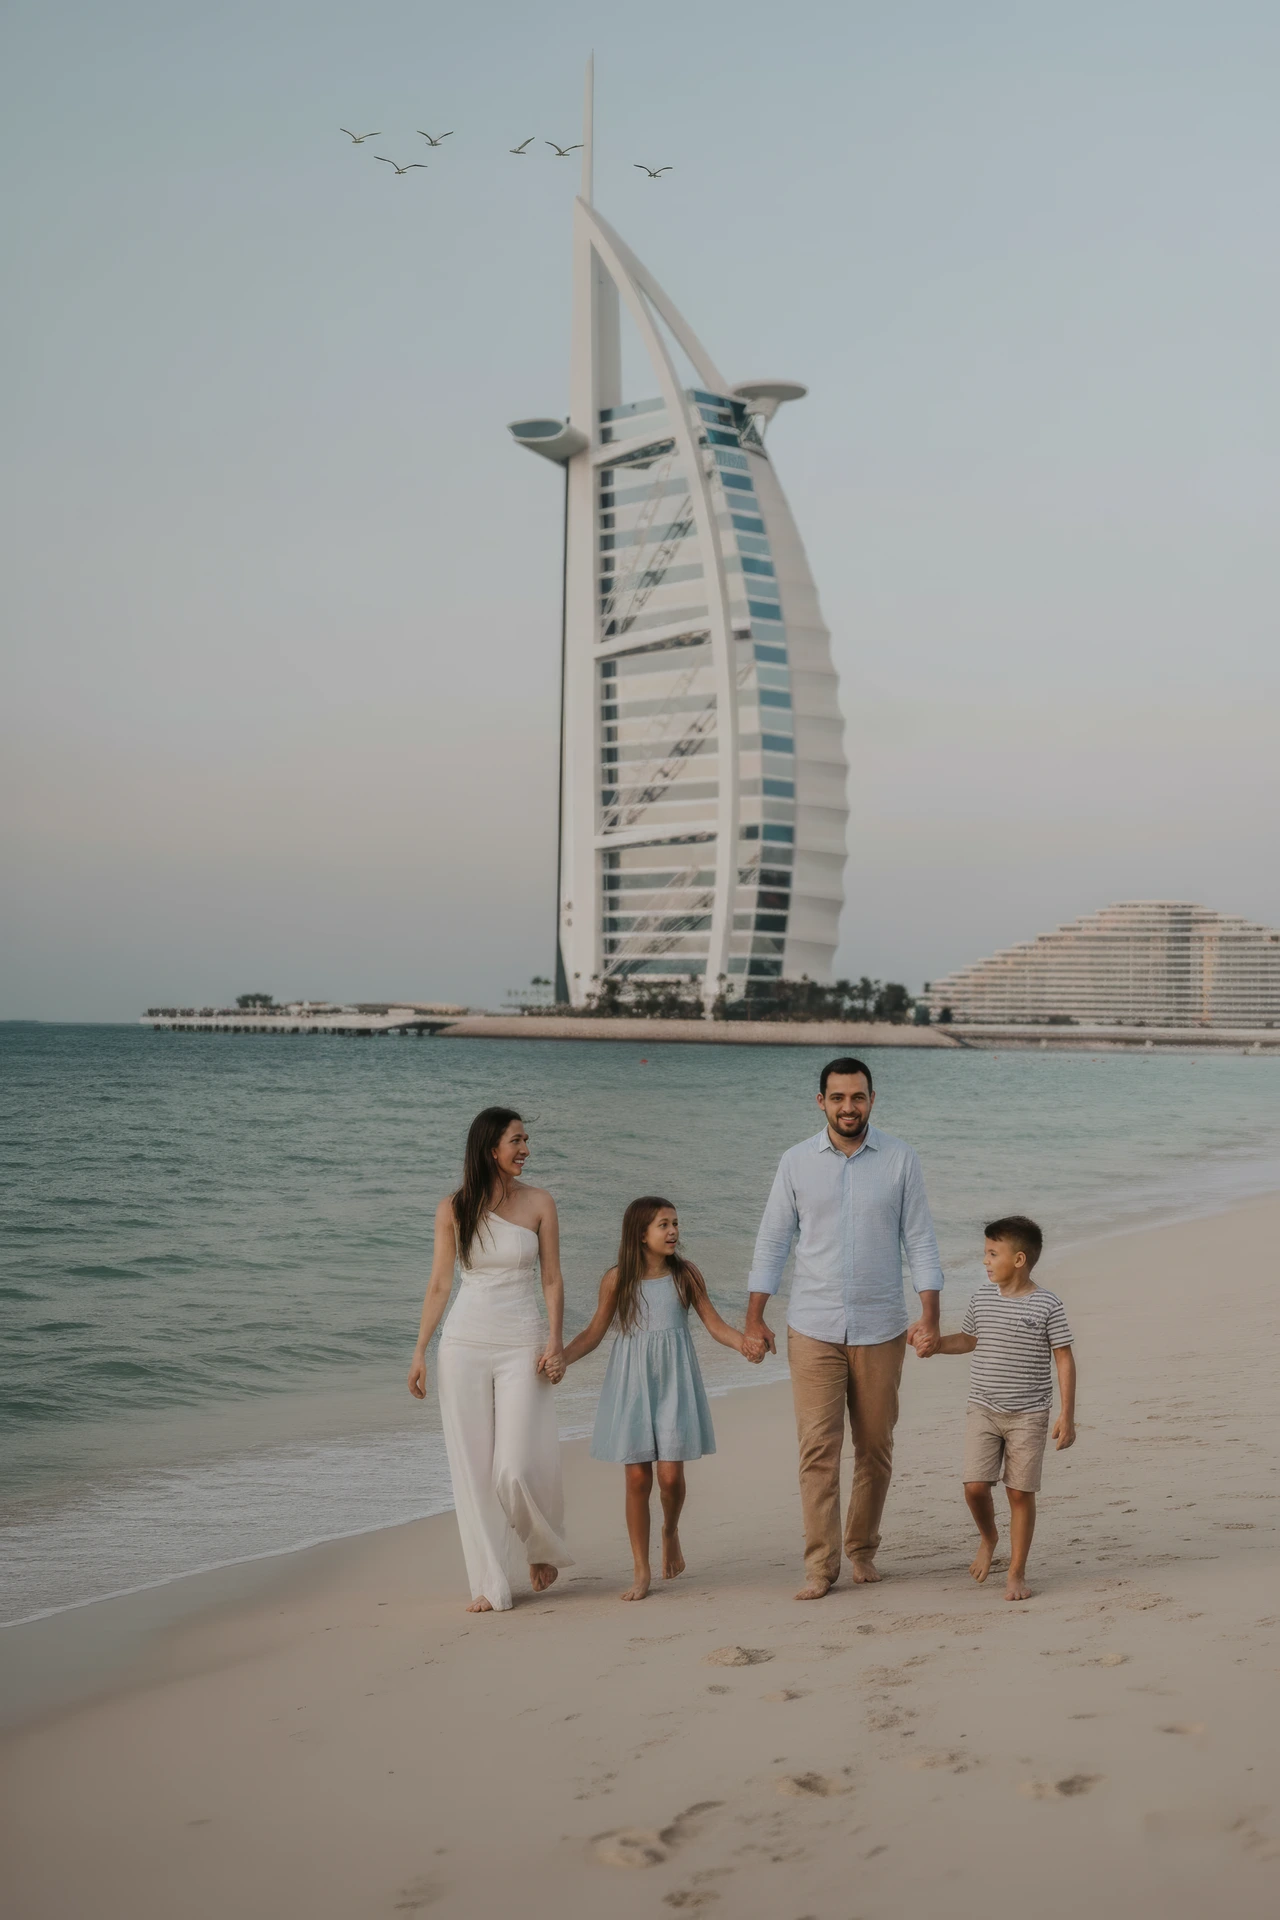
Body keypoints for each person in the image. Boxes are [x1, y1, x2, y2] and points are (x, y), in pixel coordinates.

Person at [746, 1057, 944, 1600]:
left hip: (881, 1326)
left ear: (872, 1100)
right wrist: (754, 1315)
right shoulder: (794, 1163)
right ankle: (820, 1565)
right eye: (838, 1098)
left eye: (857, 1097)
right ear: (821, 1103)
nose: (848, 1107)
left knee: (876, 1446)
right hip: (812, 1326)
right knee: (819, 1450)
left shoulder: (901, 1159)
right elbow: (772, 1242)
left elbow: (920, 1240)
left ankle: (862, 1549)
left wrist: (930, 1313)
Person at [408, 1107, 572, 1613]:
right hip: (463, 1344)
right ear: (490, 1149)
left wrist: (555, 1341)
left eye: (526, 1140)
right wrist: (419, 1352)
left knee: (514, 1467)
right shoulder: (453, 1209)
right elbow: (440, 1285)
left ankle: (540, 1546)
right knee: (473, 1470)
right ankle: (489, 1582)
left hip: (522, 1342)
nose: (526, 1149)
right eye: (517, 1141)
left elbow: (552, 1279)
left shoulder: (540, 1202)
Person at [562, 1195, 764, 1601]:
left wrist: (743, 1343)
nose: (673, 1231)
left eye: (675, 1223)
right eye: (664, 1225)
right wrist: (560, 1358)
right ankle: (641, 1568)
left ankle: (670, 1531)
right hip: (632, 1384)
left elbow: (713, 1323)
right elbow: (594, 1332)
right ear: (641, 1234)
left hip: (674, 1380)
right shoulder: (617, 1279)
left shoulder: (685, 1275)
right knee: (638, 1478)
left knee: (670, 1476)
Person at [917, 1214, 1076, 1601]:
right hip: (983, 1408)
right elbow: (969, 1340)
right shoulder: (981, 1297)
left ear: (1019, 1260)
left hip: (1029, 1414)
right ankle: (989, 1537)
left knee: (1019, 1493)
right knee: (974, 1487)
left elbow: (1064, 1359)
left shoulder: (1046, 1304)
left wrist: (1066, 1415)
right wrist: (936, 1344)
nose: (985, 1261)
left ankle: (1017, 1572)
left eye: (992, 1253)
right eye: (985, 1254)